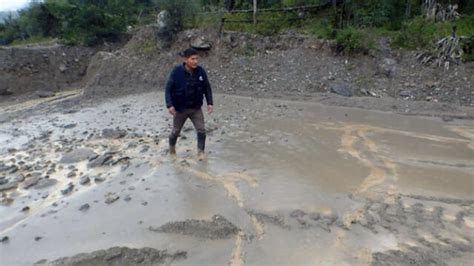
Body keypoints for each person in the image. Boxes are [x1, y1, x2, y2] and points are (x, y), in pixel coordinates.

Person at [165, 47, 214, 156]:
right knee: (176, 131)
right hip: (180, 109)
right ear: (186, 59)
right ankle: (172, 149)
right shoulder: (176, 72)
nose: (195, 61)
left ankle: (201, 153)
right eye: (193, 59)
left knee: (201, 130)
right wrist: (169, 105)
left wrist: (210, 103)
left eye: (197, 59)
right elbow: (168, 89)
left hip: (196, 108)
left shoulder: (201, 71)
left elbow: (207, 88)